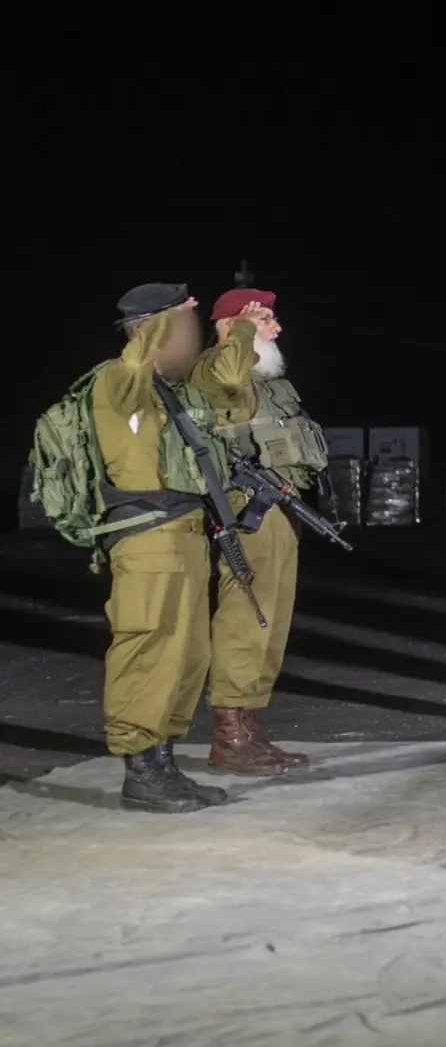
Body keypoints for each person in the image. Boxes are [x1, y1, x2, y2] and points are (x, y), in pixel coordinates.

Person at [94, 283, 261, 811]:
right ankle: (141, 771)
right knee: (148, 651)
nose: (188, 334)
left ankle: (163, 766)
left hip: (185, 536)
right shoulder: (119, 380)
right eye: (178, 325)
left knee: (187, 657)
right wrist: (172, 319)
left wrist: (238, 337)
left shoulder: (168, 390)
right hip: (147, 539)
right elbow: (141, 351)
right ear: (150, 328)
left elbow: (231, 388)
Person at [202, 287, 325, 774]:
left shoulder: (269, 382)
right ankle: (228, 735)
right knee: (246, 612)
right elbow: (226, 382)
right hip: (247, 506)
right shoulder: (216, 369)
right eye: (264, 319)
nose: (276, 328)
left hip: (280, 503)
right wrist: (241, 333)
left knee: (271, 617)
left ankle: (248, 728)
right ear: (232, 327)